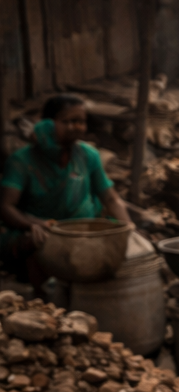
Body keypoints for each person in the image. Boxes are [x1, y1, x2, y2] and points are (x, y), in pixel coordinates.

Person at [1, 94, 132, 292]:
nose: (76, 127)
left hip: (82, 231)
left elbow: (111, 198)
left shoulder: (88, 155)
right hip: (44, 230)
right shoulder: (22, 160)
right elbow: (5, 206)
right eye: (68, 121)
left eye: (80, 121)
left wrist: (128, 229)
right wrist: (31, 223)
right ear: (48, 124)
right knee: (34, 243)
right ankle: (43, 297)